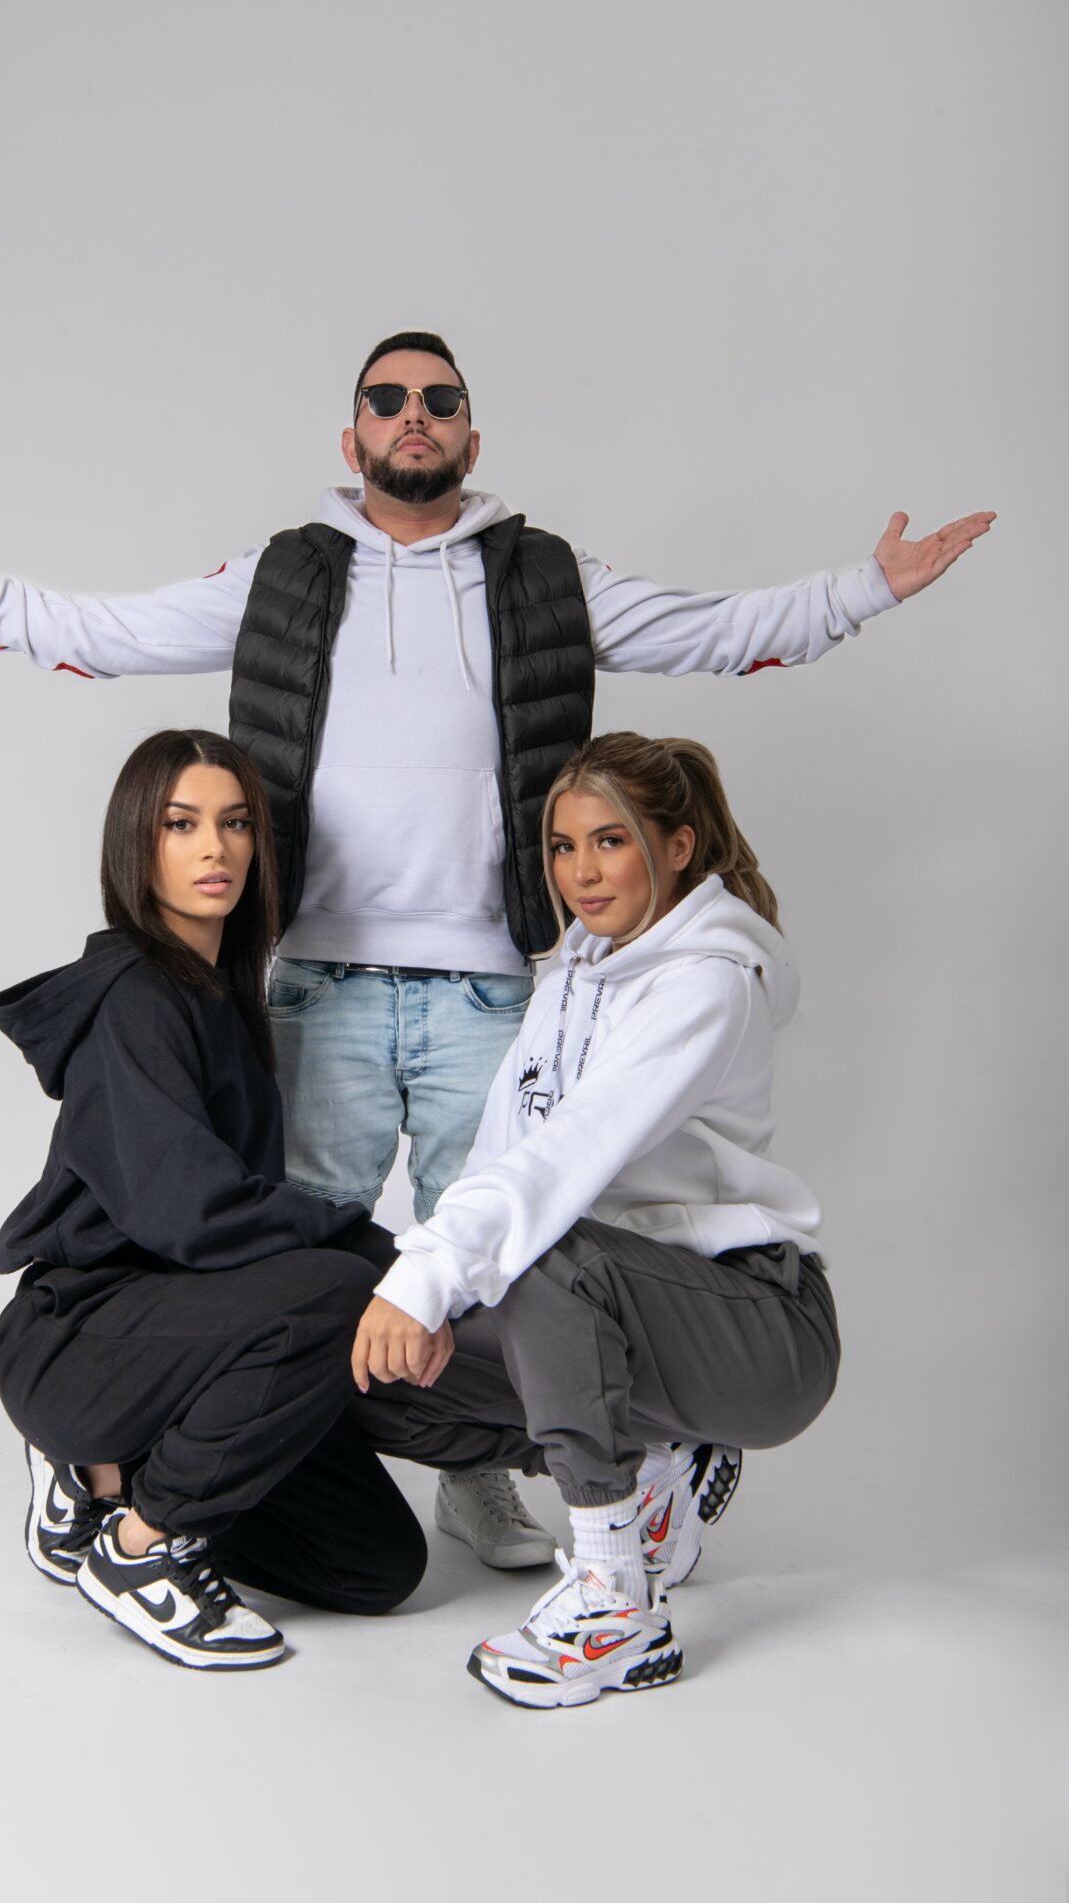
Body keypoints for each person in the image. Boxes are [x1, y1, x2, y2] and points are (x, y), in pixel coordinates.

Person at [0, 330, 990, 1567]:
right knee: (293, 1251)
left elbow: (707, 628)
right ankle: (214, 1466)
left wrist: (863, 590)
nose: (413, 415)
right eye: (386, 400)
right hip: (319, 976)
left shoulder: (542, 576)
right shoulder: (284, 575)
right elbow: (122, 630)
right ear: (353, 439)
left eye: (439, 400)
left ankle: (473, 1476)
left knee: (491, 1253)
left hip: (487, 980)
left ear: (469, 437)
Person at [350, 732, 840, 1709]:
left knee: (541, 1256)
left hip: (756, 1327)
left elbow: (567, 1157)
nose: (580, 872)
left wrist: (436, 1270)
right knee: (367, 1363)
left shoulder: (706, 981)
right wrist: (433, 1284)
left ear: (678, 846)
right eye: (563, 846)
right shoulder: (570, 973)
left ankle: (616, 1601)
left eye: (609, 841)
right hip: (620, 1312)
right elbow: (503, 1150)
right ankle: (658, 1458)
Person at [0, 727, 430, 1670]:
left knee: (373, 1565)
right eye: (180, 824)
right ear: (135, 842)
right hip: (83, 1340)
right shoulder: (135, 997)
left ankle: (118, 1479)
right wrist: (383, 1256)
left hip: (188, 1337)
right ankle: (139, 1548)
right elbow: (190, 1209)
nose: (214, 848)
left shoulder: (221, 993)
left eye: (235, 824)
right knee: (335, 1289)